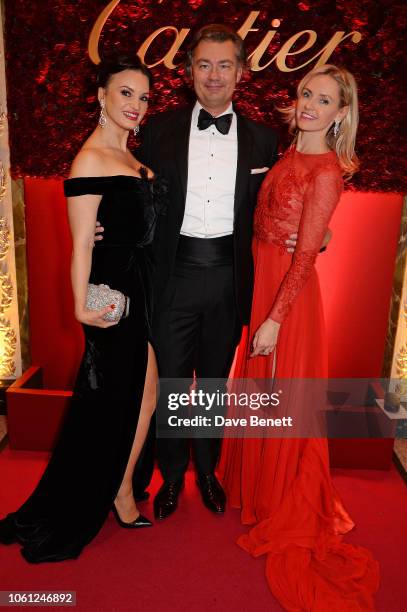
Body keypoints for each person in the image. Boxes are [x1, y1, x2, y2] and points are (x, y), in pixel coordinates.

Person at [218, 65, 379, 610]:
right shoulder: (292, 152)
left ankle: (282, 498)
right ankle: (261, 490)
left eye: (325, 100)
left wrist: (274, 319)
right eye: (307, 93)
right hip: (266, 276)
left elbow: (307, 254)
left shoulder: (328, 169)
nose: (310, 104)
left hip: (288, 297)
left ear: (340, 114)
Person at [0, 56, 166, 562]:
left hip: (138, 288)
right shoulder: (90, 160)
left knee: (145, 394)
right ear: (100, 95)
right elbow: (82, 246)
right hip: (108, 295)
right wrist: (81, 308)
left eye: (143, 96)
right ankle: (111, 492)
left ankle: (117, 485)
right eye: (125, 94)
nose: (136, 105)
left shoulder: (134, 158)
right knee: (110, 400)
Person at [133, 24, 286, 520]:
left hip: (228, 277)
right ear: (189, 72)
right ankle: (173, 476)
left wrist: (316, 234)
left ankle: (209, 470)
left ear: (241, 72)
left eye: (224, 65)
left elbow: (283, 203)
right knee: (173, 382)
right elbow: (132, 197)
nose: (214, 75)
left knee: (216, 383)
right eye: (204, 64)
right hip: (173, 277)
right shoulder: (157, 133)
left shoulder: (266, 140)